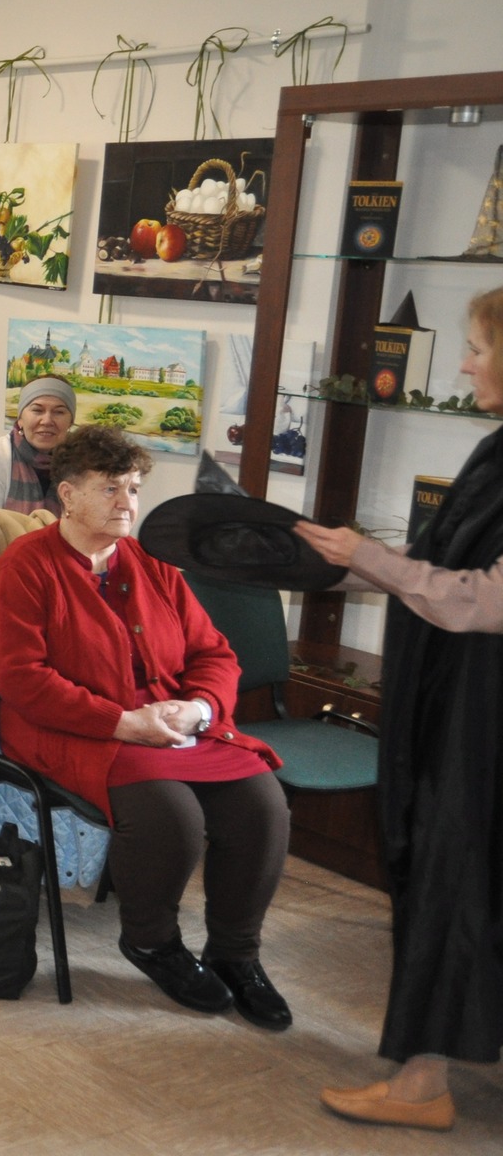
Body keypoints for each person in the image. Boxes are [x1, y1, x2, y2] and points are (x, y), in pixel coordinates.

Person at [0, 424, 292, 1028]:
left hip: (166, 720)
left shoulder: (152, 565)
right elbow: (20, 677)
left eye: (134, 488)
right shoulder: (26, 567)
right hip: (69, 727)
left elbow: (214, 654)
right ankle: (151, 942)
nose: (127, 503)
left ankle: (234, 953)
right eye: (110, 489)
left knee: (263, 806)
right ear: (68, 495)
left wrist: (199, 708)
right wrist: (121, 722)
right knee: (173, 818)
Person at [300, 288, 503, 1133]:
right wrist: (319, 559)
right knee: (455, 880)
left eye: (478, 348)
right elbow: (429, 566)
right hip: (456, 709)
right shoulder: (494, 451)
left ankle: (423, 1085)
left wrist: (372, 560)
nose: (463, 363)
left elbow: (484, 601)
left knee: (455, 881)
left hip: (484, 731)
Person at [0, 374, 77, 514]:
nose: (47, 421)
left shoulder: (84, 462)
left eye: (59, 412)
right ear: (20, 419)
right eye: (37, 410)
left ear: (70, 422)